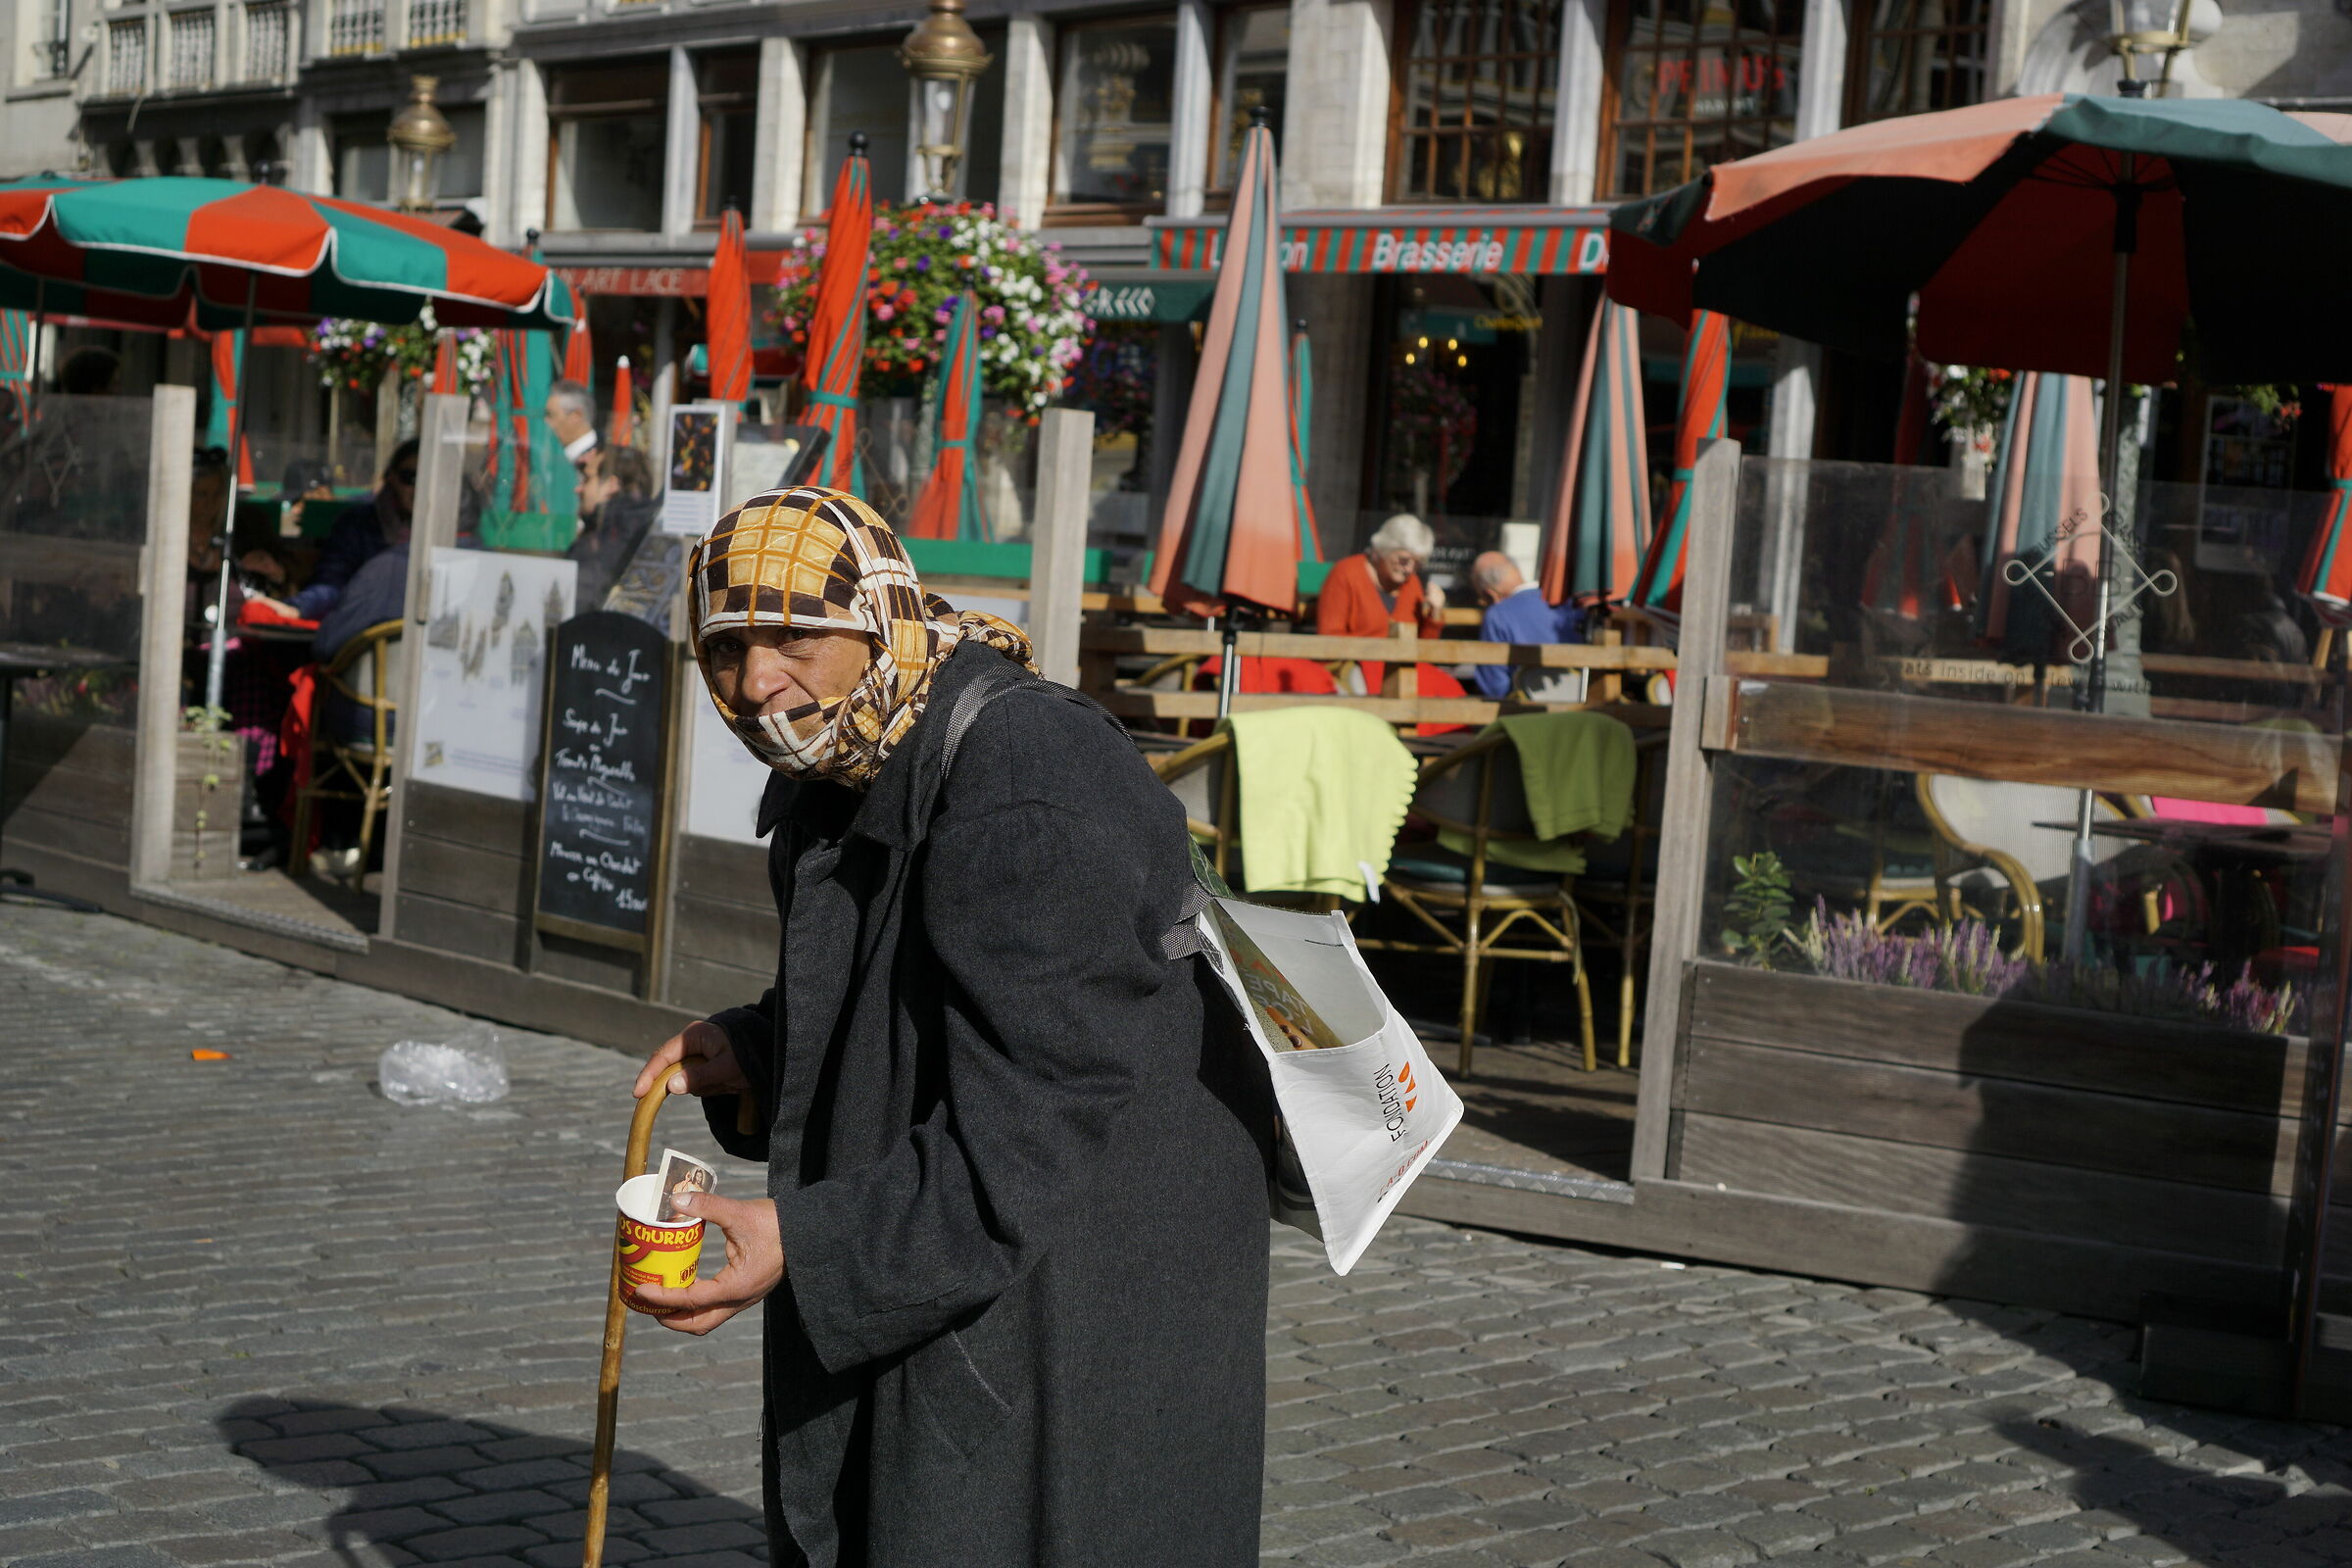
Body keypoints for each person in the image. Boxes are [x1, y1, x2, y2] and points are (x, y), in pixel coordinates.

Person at [629, 486, 1273, 1567]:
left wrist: (802, 1240)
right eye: (726, 648)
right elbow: (929, 994)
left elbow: (1039, 1106)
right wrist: (767, 1044)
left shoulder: (1024, 781)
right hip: (988, 1238)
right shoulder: (854, 747)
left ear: (878, 616)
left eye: (793, 635)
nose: (755, 681)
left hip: (1091, 1273)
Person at [279, 440, 417, 620]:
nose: (418, 487)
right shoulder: (358, 524)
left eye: (430, 477)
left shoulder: (458, 529)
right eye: (410, 478)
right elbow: (332, 583)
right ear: (391, 477)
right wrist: (298, 608)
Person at [1465, 550, 1583, 700]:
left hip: (1525, 714)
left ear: (1490, 595)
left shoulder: (1497, 615)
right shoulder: (1567, 602)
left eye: (1483, 600)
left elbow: (1494, 686)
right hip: (1579, 707)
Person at [1316, 512, 1446, 642]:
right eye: (1403, 559)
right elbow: (1329, 638)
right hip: (1352, 661)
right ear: (1385, 549)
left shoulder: (1412, 583)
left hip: (1402, 661)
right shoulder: (1346, 573)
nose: (1409, 568)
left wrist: (1435, 612)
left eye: (1417, 563)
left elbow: (1422, 650)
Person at [567, 445, 657, 607]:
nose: (578, 489)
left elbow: (578, 600)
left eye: (587, 479)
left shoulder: (607, 538)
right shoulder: (633, 527)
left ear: (611, 485)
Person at [545, 377, 598, 470]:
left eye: (551, 415)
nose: (546, 421)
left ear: (575, 416)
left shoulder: (601, 463)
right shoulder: (561, 457)